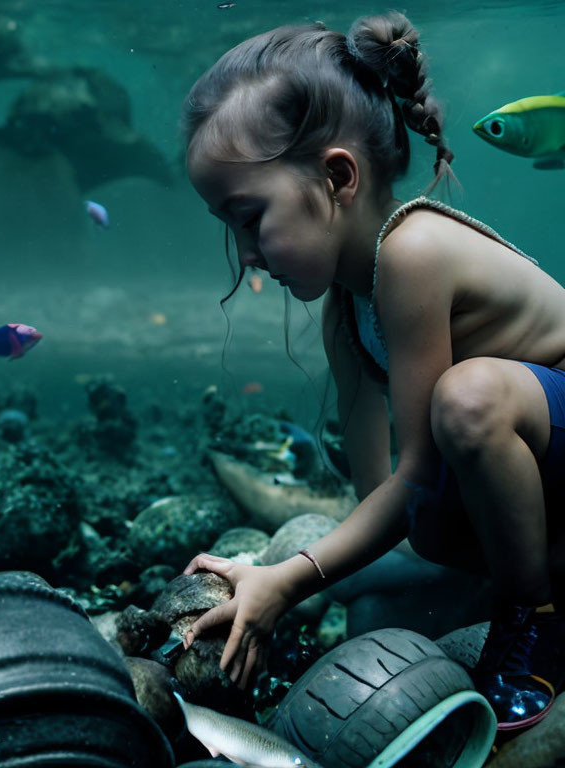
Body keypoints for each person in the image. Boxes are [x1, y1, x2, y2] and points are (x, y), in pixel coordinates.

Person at [181, 12, 564, 731]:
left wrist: (289, 581)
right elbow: (385, 499)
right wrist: (270, 582)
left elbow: (416, 472)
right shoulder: (345, 311)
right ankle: (533, 580)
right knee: (426, 529)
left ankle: (533, 620)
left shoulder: (414, 253)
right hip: (543, 461)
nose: (245, 254)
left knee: (467, 400)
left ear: (336, 176)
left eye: (248, 216)